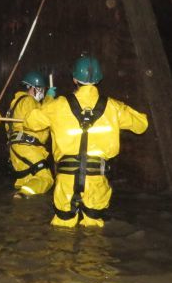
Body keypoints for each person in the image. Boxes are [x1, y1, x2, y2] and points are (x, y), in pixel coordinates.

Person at [24, 56, 148, 228]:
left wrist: (49, 101)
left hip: (66, 179)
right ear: (98, 79)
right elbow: (142, 125)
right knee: (93, 228)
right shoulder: (113, 107)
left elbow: (30, 122)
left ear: (74, 79)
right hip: (96, 179)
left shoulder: (58, 105)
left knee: (62, 227)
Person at [7, 71, 57, 197]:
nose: (42, 92)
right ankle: (23, 194)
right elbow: (39, 118)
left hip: (16, 148)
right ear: (32, 88)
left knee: (28, 180)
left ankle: (21, 202)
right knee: (45, 178)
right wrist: (49, 99)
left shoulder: (16, 103)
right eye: (41, 89)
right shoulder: (28, 101)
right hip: (27, 147)